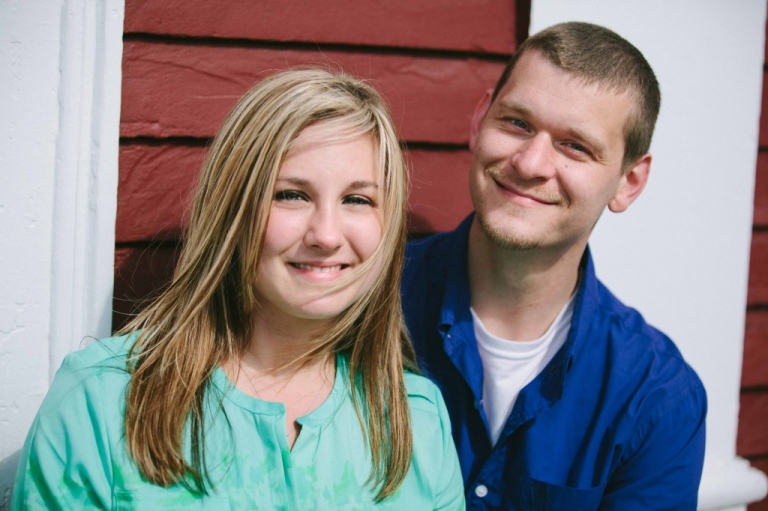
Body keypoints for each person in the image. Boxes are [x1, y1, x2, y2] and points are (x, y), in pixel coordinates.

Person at [13, 69, 464, 509]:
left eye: (357, 199)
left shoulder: (416, 419)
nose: (327, 236)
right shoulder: (102, 401)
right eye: (291, 194)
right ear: (233, 209)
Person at [402, 22, 707, 510]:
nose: (530, 163)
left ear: (629, 182)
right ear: (480, 120)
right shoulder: (367, 302)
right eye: (518, 123)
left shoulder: (656, 398)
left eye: (575, 146)